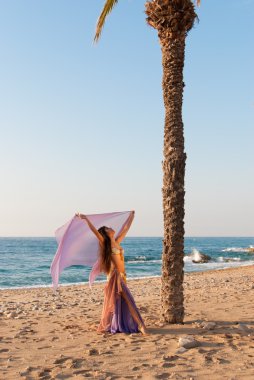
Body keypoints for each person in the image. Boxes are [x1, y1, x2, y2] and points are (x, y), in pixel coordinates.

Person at [76, 211, 147, 335]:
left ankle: (116, 324)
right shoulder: (104, 242)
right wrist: (86, 219)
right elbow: (95, 231)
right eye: (108, 228)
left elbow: (126, 228)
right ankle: (141, 326)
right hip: (115, 276)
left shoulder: (117, 241)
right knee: (129, 300)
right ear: (105, 233)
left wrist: (132, 216)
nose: (111, 228)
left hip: (122, 275)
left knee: (120, 302)